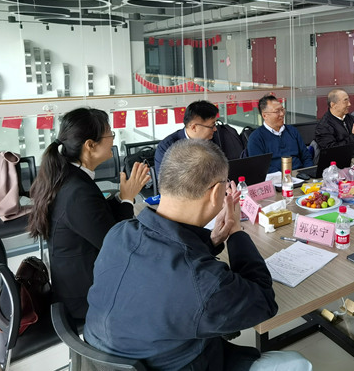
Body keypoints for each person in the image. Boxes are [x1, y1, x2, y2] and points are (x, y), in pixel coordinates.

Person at [84, 140, 312, 371]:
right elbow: (263, 302)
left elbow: (168, 264)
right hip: (184, 363)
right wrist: (236, 232)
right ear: (216, 193)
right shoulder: (204, 284)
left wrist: (212, 241)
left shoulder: (120, 232)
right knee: (296, 363)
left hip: (109, 356)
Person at [27, 108, 150, 320]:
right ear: (90, 145)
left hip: (76, 280)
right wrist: (128, 199)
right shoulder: (77, 192)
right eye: (110, 134)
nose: (113, 140)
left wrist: (123, 197)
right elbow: (115, 244)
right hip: (84, 297)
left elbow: (96, 217)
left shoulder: (69, 176)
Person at [247, 95, 313, 173]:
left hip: (300, 175)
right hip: (275, 178)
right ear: (265, 115)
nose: (282, 114)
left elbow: (306, 157)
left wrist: (309, 172)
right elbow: (260, 166)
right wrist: (284, 176)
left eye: (282, 110)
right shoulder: (256, 138)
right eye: (277, 111)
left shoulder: (292, 131)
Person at [154, 100, 219, 178]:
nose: (215, 129)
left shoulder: (213, 139)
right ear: (194, 127)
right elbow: (164, 182)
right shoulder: (167, 147)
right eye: (212, 125)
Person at [314, 88, 354, 155]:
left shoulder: (350, 118)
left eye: (349, 100)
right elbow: (331, 150)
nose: (349, 104)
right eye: (345, 101)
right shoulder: (323, 126)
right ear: (333, 105)